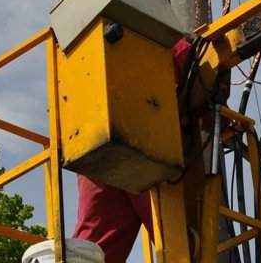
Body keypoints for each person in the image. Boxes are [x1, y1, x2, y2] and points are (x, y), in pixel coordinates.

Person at [72, 37, 195, 263]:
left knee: (93, 248)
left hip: (96, 142)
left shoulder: (87, 42)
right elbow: (199, 87)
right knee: (180, 244)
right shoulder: (165, 38)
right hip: (146, 145)